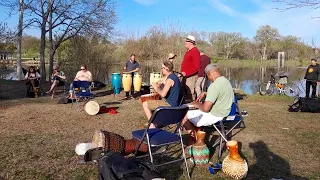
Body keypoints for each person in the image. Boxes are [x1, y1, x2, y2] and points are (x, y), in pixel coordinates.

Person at [182, 63, 234, 143]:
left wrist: (197, 104)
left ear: (210, 74)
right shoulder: (225, 81)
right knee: (193, 112)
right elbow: (221, 93)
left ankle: (198, 141)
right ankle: (199, 133)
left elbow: (205, 109)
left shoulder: (214, 86)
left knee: (184, 116)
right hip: (225, 112)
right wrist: (206, 93)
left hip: (215, 115)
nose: (209, 79)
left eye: (208, 76)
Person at [142, 60, 181, 128]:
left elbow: (163, 94)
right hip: (172, 102)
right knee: (153, 102)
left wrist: (156, 88)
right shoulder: (173, 76)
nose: (162, 70)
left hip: (170, 104)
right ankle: (156, 121)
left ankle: (152, 125)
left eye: (162, 68)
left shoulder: (170, 79)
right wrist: (160, 85)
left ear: (167, 69)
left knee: (145, 104)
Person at [180, 35, 200, 102]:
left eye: (186, 41)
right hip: (185, 76)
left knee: (190, 94)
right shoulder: (188, 51)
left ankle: (192, 108)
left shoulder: (195, 51)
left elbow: (196, 67)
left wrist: (186, 73)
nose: (185, 42)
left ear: (191, 42)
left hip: (191, 77)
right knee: (185, 92)